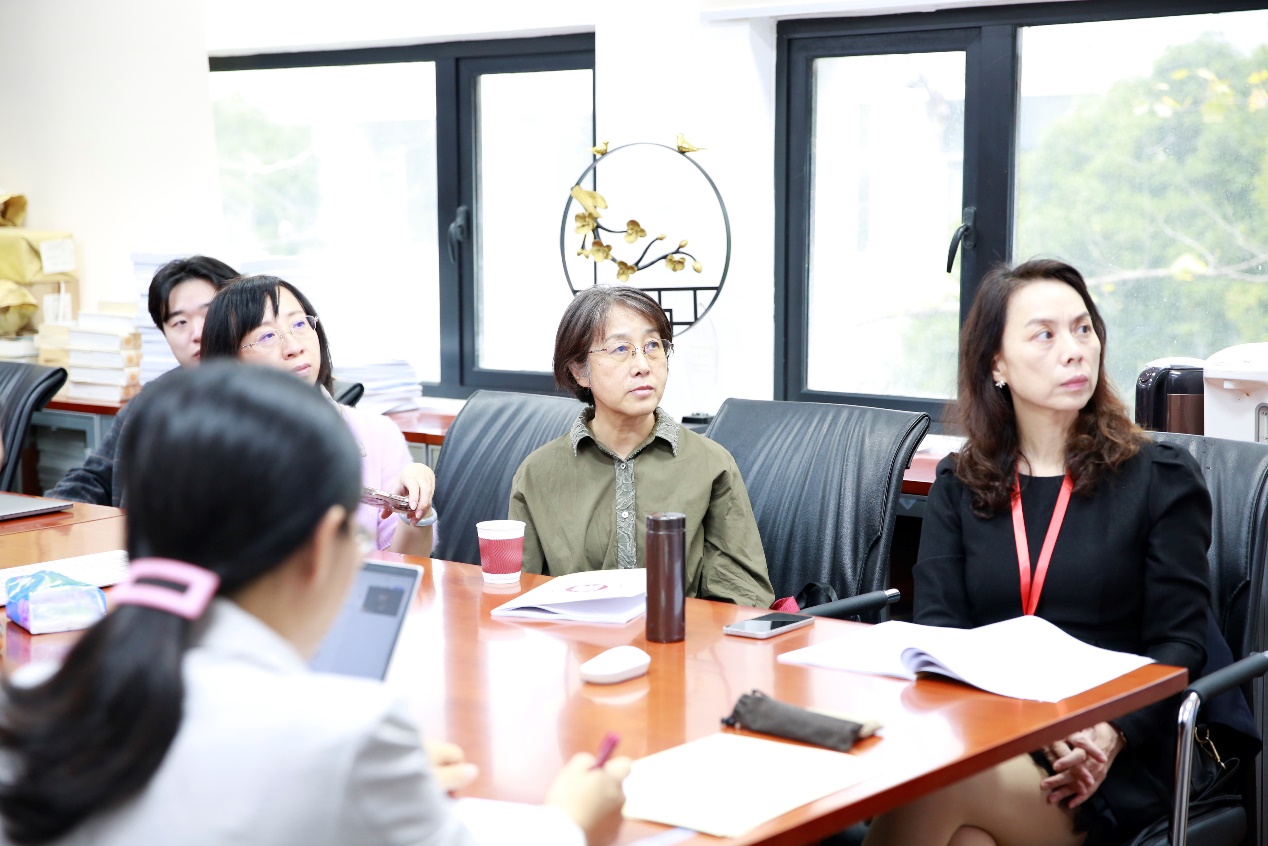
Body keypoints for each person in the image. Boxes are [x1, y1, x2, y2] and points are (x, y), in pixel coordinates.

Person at [0, 362, 630, 846]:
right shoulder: (343, 736)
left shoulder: (30, 703)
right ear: (324, 544)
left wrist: (380, 787)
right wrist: (569, 819)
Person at [863, 259, 1211, 846]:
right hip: (994, 729)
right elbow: (942, 634)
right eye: (1044, 335)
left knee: (931, 787)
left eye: (1083, 329)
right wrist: (1019, 722)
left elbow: (1181, 644)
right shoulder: (960, 483)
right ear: (995, 364)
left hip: (1114, 747)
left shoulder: (1161, 477)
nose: (1074, 351)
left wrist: (1110, 732)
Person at [509, 285, 775, 607]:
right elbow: (519, 596)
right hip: (574, 637)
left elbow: (742, 599)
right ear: (579, 371)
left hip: (678, 636)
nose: (643, 365)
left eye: (652, 346)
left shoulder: (711, 464)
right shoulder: (537, 474)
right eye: (621, 349)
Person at [200, 275, 435, 557]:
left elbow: (406, 566)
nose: (294, 346)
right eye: (267, 336)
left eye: (299, 324)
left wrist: (416, 510)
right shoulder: (210, 448)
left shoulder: (377, 434)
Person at [48, 255, 240, 506]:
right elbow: (93, 478)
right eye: (180, 322)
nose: (198, 333)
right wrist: (48, 515)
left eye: (210, 313)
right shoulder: (152, 399)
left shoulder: (265, 402)